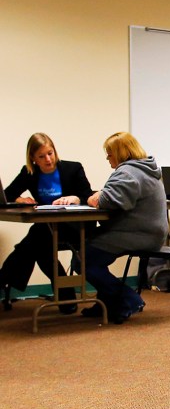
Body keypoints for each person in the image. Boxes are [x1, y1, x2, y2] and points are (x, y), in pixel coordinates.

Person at [0, 133, 94, 313]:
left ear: (55, 151)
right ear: (33, 159)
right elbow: (7, 194)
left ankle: (3, 278)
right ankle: (67, 299)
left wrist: (75, 198)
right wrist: (20, 199)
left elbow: (88, 197)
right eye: (41, 156)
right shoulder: (29, 172)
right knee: (40, 247)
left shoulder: (72, 169)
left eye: (50, 153)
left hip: (75, 227)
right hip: (47, 228)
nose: (48, 159)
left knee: (35, 238)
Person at [81, 132, 168, 324]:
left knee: (83, 257)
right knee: (89, 249)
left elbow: (106, 200)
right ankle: (107, 302)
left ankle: (128, 299)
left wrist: (95, 196)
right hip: (148, 233)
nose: (107, 158)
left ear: (120, 153)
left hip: (138, 234)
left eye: (110, 153)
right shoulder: (145, 169)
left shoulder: (128, 172)